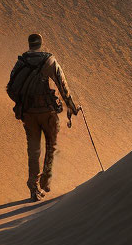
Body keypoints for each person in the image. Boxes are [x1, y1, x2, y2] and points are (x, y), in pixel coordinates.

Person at [6, 33, 80, 201]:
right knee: (50, 146)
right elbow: (62, 85)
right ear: (40, 44)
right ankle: (46, 178)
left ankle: (33, 186)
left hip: (29, 114)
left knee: (33, 151)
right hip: (47, 112)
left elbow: (11, 88)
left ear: (29, 44)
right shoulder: (49, 60)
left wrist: (23, 104)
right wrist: (71, 106)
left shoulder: (21, 62)